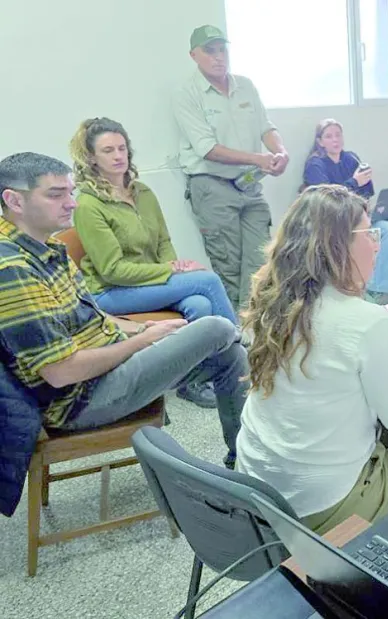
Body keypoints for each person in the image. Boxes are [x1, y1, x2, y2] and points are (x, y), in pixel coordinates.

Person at [236, 185, 388, 535]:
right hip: (319, 505)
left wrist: (382, 341)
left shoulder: (272, 301)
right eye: (368, 233)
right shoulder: (366, 321)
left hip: (256, 492)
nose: (377, 242)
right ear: (336, 244)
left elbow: (319, 360)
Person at [0, 153, 247, 467]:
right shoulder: (11, 267)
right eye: (55, 194)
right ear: (14, 201)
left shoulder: (49, 247)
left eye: (70, 192)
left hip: (104, 368)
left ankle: (243, 462)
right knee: (217, 328)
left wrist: (144, 330)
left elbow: (92, 318)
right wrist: (144, 341)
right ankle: (269, 368)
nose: (71, 203)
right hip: (81, 399)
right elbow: (62, 372)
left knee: (229, 355)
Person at [69, 117, 239, 409]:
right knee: (208, 280)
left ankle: (195, 381)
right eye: (108, 150)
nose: (118, 155)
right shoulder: (88, 205)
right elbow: (113, 270)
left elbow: (163, 242)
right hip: (110, 292)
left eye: (122, 148)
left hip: (148, 285)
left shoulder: (143, 192)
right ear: (92, 159)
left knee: (198, 303)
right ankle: (242, 355)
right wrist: (170, 273)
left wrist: (176, 271)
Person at [173, 24, 289, 309]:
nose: (218, 57)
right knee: (229, 268)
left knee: (262, 262)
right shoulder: (187, 93)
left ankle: (257, 331)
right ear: (193, 55)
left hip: (249, 185)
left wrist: (280, 152)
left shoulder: (245, 85)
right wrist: (258, 159)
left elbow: (266, 127)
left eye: (222, 49)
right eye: (209, 51)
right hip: (213, 188)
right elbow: (208, 149)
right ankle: (237, 339)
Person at [303, 119, 388, 304]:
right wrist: (354, 182)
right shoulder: (315, 165)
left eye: (338, 134)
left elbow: (367, 191)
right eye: (329, 136)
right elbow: (326, 199)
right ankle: (376, 288)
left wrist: (367, 188)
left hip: (362, 212)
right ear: (320, 142)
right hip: (339, 219)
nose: (335, 139)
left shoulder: (351, 158)